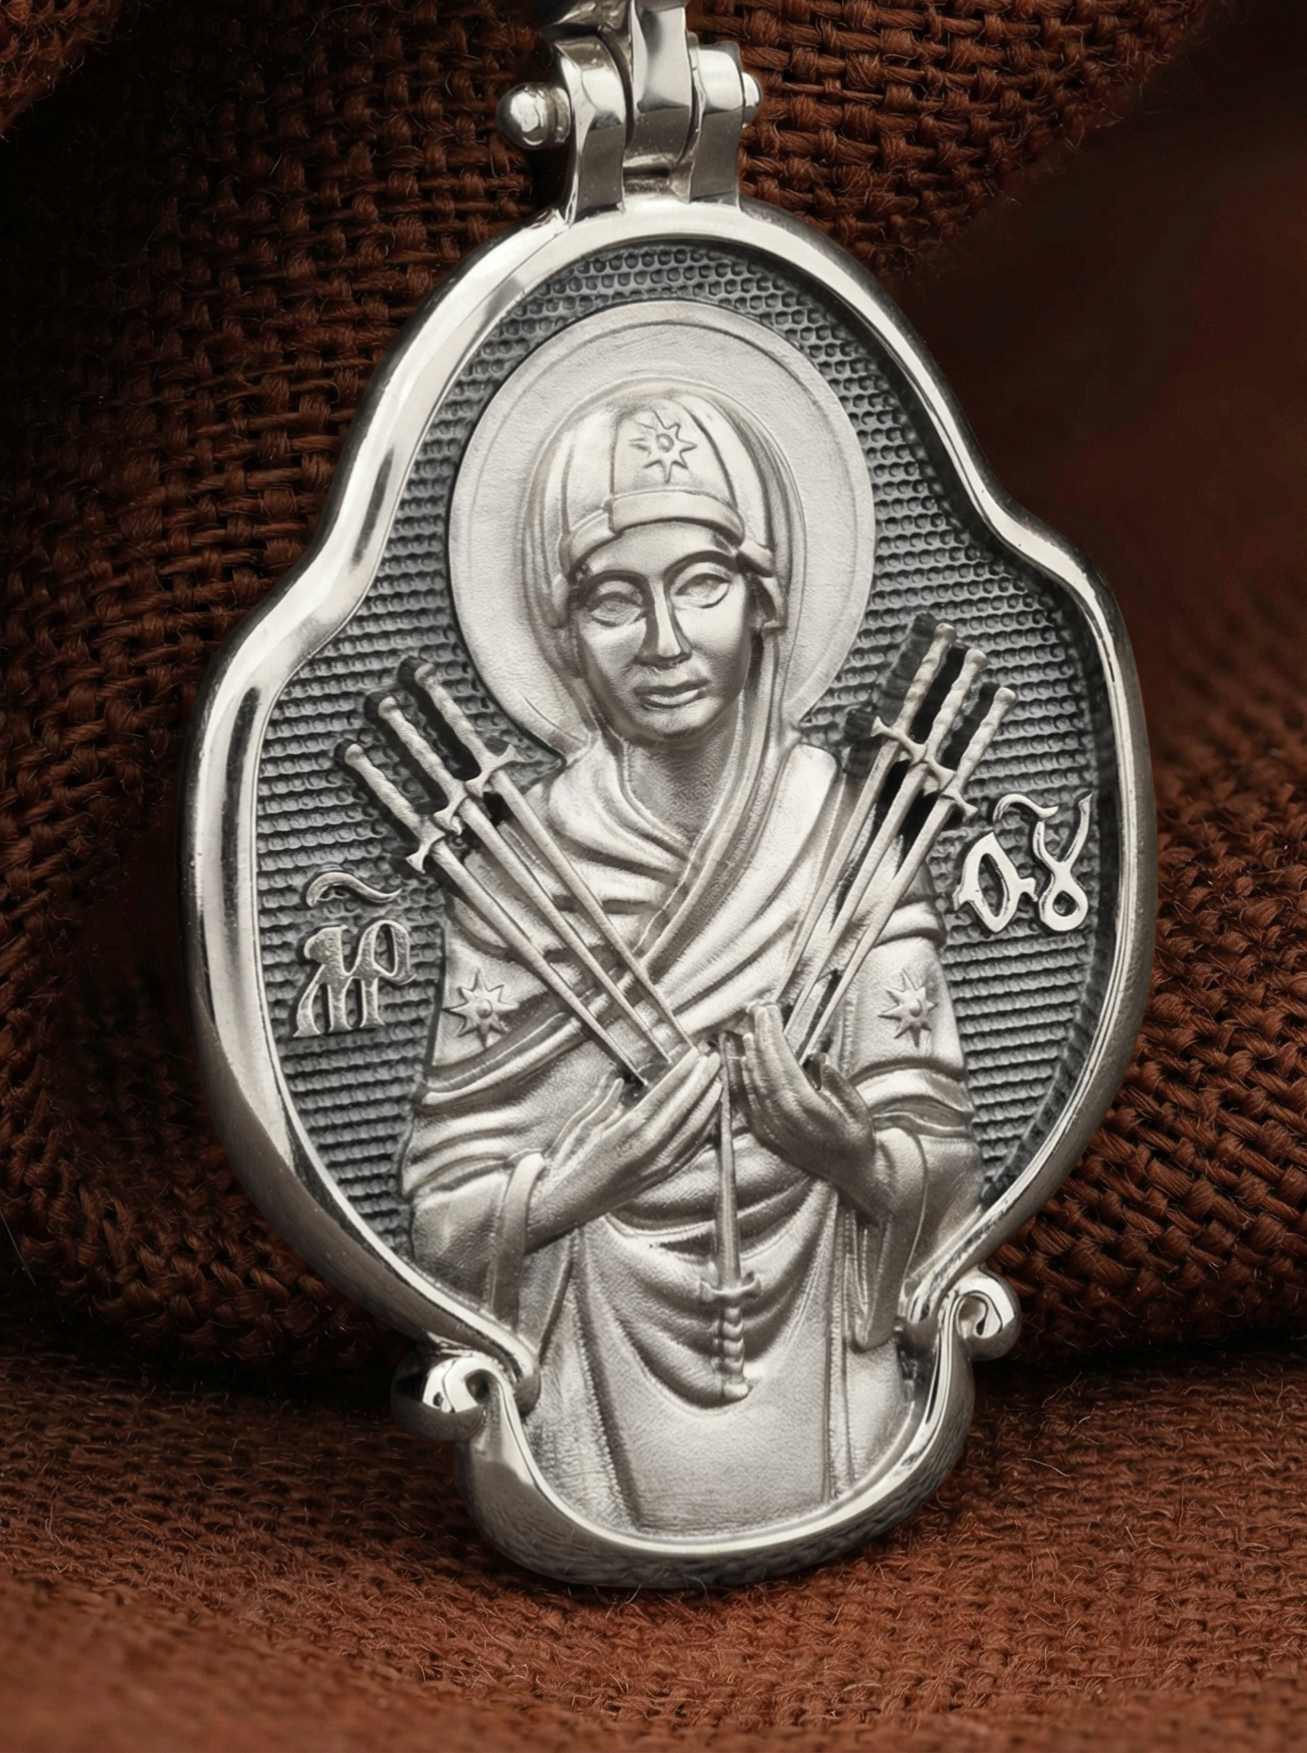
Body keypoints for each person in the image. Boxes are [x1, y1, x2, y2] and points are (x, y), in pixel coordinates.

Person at [402, 389, 981, 1535]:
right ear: (563, 634)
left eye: (702, 586)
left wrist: (850, 1154)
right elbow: (442, 1214)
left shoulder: (851, 842)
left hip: (836, 1356)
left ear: (765, 601)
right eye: (615, 601)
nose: (664, 643)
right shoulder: (517, 875)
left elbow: (947, 1156)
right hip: (588, 1366)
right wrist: (578, 1184)